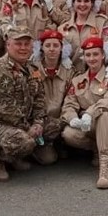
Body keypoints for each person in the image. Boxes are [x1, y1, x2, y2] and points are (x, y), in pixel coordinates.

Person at [0, 27, 48, 180]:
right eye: (18, 44)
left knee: (55, 126)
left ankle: (18, 154)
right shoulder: (1, 70)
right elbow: (5, 108)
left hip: (22, 120)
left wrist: (38, 123)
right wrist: (27, 128)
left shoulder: (33, 68)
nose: (23, 48)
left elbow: (40, 98)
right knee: (24, 141)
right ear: (8, 45)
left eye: (26, 44)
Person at [61, 36, 108, 189]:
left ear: (103, 55)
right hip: (89, 124)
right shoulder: (78, 80)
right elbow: (69, 104)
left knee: (105, 114)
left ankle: (104, 169)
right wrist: (71, 118)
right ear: (83, 57)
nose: (92, 58)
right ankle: (99, 149)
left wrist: (90, 112)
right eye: (88, 55)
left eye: (96, 54)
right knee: (68, 134)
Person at [31, 29, 75, 162]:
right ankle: (39, 146)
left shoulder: (69, 71)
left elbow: (72, 98)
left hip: (62, 119)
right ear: (41, 48)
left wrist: (65, 119)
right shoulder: (32, 69)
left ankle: (59, 142)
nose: (51, 49)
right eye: (47, 45)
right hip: (40, 121)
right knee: (48, 159)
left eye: (56, 45)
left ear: (62, 48)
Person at [58, 0, 108, 70]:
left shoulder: (102, 23)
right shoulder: (63, 28)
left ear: (92, 3)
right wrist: (63, 58)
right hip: (71, 74)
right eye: (78, 1)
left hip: (97, 74)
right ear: (73, 3)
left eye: (86, 1)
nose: (82, 5)